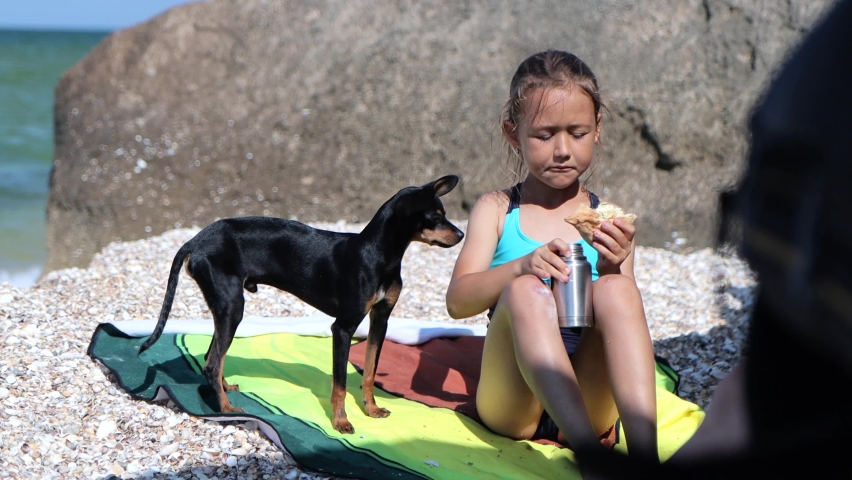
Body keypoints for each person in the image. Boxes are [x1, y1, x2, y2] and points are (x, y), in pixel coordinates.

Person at [445, 50, 659, 472]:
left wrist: (615, 266)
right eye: (544, 135)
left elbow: (625, 322)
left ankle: (646, 462)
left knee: (618, 289)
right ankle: (592, 458)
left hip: (589, 394)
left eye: (577, 133)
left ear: (597, 130)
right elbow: (458, 302)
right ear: (514, 134)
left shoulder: (607, 217)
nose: (562, 150)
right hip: (513, 405)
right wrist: (521, 267)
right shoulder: (497, 209)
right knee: (526, 291)